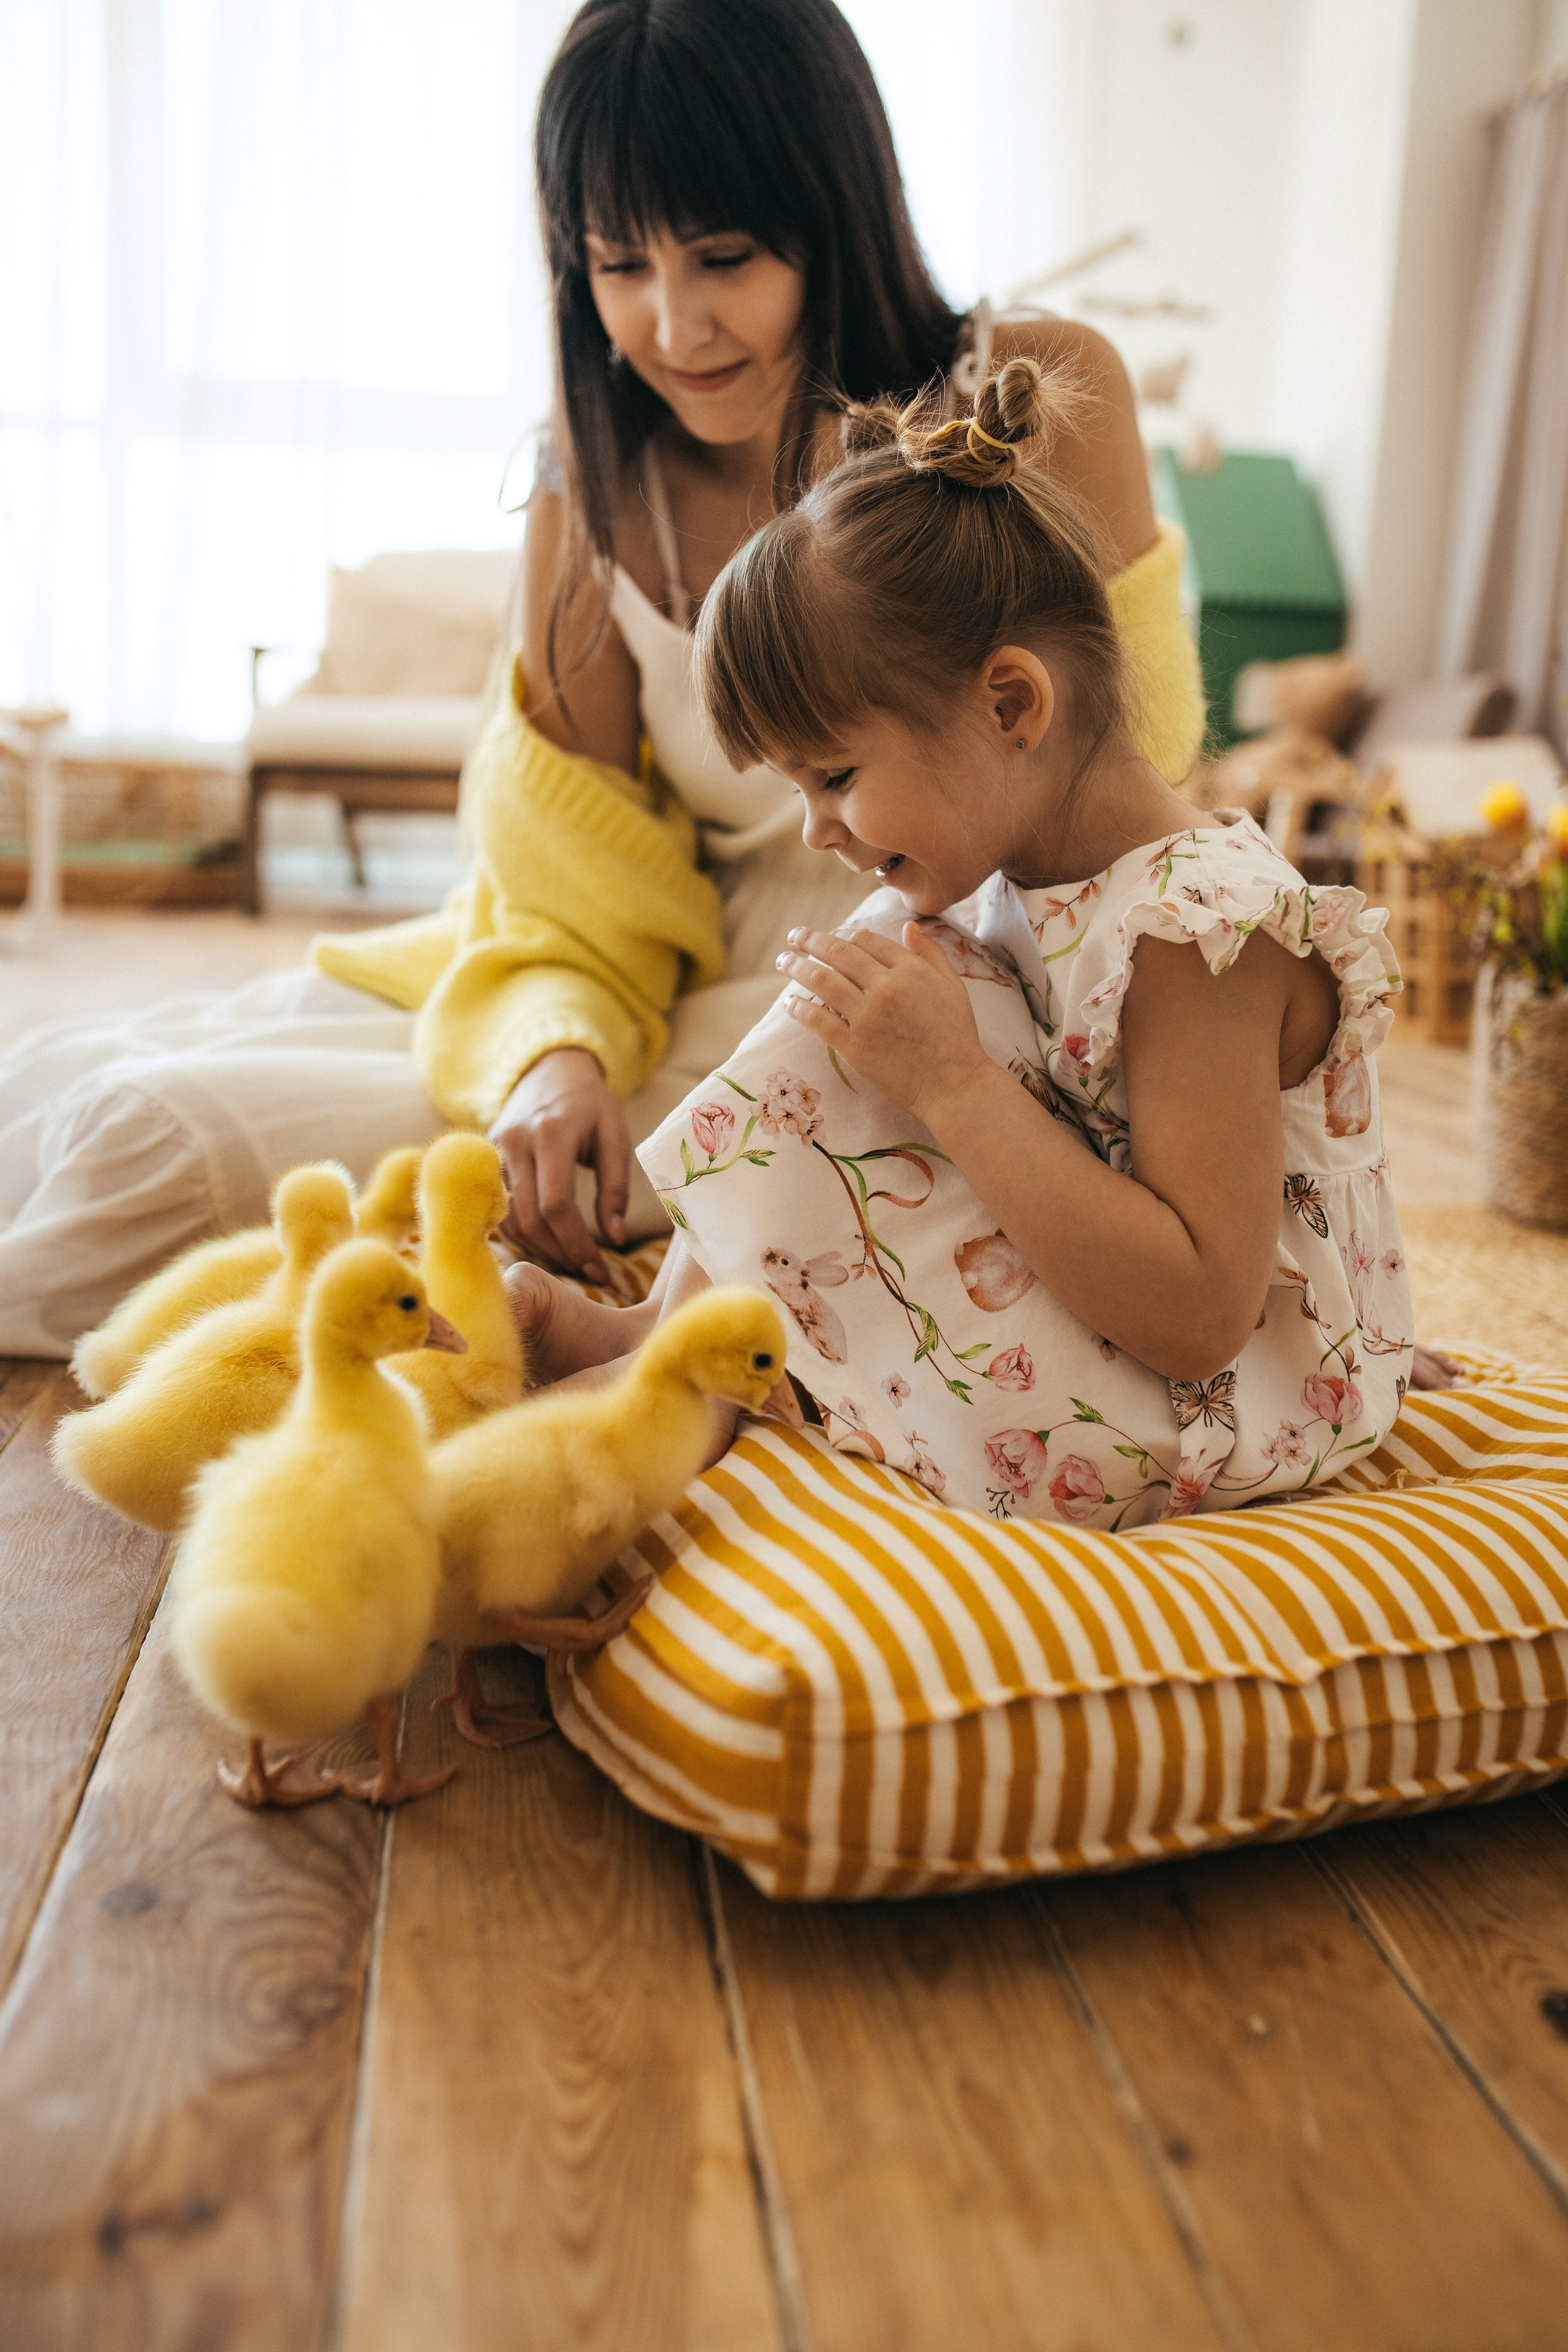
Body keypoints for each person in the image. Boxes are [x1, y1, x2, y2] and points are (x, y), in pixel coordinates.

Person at [0, 0, 1224, 1360]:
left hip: (936, 1009)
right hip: (640, 982)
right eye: (615, 265)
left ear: (839, 210)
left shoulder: (1034, 392)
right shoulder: (592, 479)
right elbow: (556, 883)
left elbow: (1128, 775)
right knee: (71, 1086)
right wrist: (551, 1051)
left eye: (724, 257)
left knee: (141, 1156)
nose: (673, 323)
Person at [511, 358, 1420, 1515]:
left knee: (905, 987)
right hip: (1121, 1296)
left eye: (834, 775)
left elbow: (1200, 1318)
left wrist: (951, 1083)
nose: (817, 828)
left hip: (1213, 1401)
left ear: (1010, 706)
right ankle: (672, 1331)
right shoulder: (1004, 876)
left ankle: (693, 1384)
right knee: (887, 968)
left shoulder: (1198, 937)